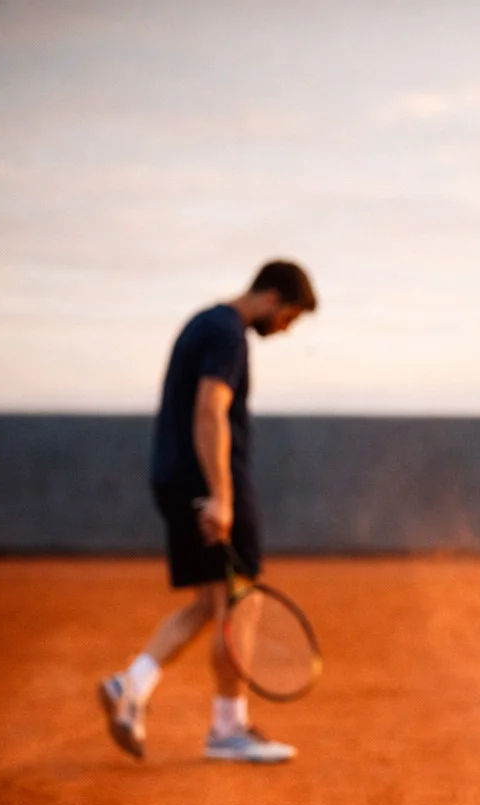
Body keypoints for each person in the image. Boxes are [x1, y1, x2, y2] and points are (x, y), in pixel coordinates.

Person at [98, 260, 317, 765]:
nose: (285, 331)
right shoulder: (227, 334)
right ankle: (228, 729)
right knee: (239, 603)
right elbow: (209, 409)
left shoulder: (205, 323)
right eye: (290, 318)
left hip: (176, 479)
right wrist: (221, 495)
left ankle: (129, 685)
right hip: (207, 482)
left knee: (208, 603)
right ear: (272, 299)